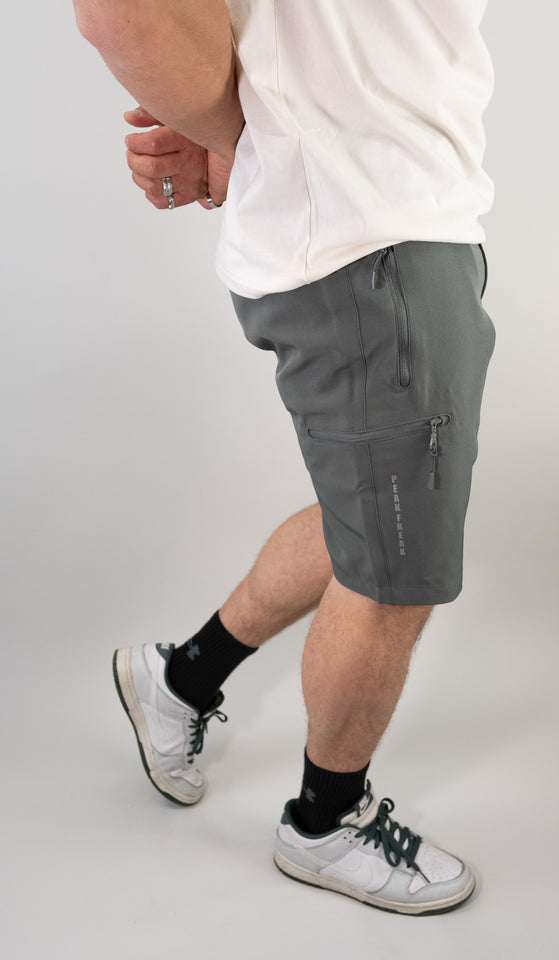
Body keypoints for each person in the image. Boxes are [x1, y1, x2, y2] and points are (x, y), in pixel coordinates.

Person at [73, 0, 496, 915]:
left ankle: (180, 679)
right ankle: (324, 822)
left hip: (402, 222)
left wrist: (249, 128)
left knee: (371, 523)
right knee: (395, 577)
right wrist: (244, 129)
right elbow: (119, 11)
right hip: (368, 240)